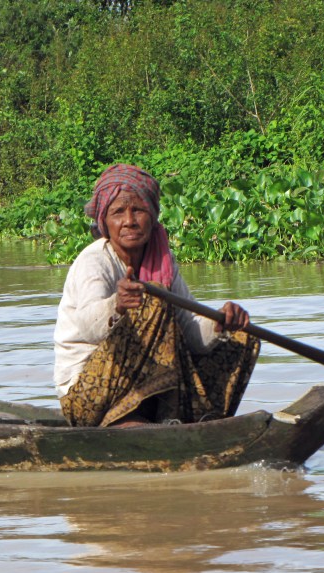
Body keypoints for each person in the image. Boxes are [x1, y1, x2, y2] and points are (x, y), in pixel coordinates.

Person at [53, 163, 260, 427]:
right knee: (154, 298)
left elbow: (190, 330)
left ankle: (192, 418)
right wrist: (117, 305)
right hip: (87, 398)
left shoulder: (163, 260)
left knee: (242, 336)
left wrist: (220, 324)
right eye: (118, 212)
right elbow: (87, 327)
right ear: (105, 221)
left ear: (152, 216)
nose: (129, 221)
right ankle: (126, 420)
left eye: (138, 210)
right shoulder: (94, 261)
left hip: (141, 390)